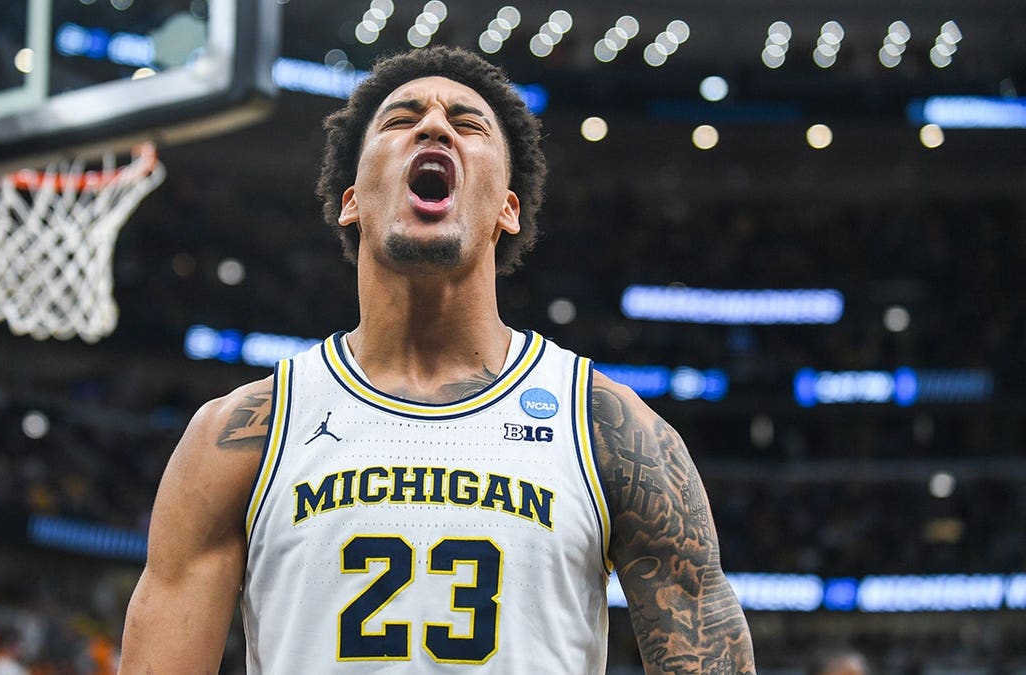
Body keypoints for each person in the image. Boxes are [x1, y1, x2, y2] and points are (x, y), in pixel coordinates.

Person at [119, 46, 755, 673]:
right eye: (401, 120)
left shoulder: (608, 428)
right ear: (351, 200)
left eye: (468, 124)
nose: (434, 126)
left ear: (508, 208)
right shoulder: (239, 435)